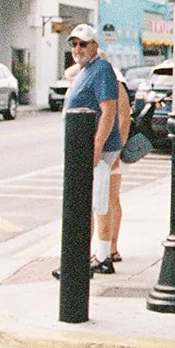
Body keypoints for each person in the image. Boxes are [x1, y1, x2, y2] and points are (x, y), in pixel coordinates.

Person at [61, 25, 122, 276]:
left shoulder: (102, 70)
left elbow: (109, 111)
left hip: (96, 148)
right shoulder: (88, 69)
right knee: (94, 202)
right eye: (73, 44)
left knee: (96, 202)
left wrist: (96, 147)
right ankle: (93, 256)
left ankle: (99, 256)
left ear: (95, 45)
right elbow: (70, 71)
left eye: (83, 44)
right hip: (83, 148)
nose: (77, 49)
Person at [106, 73, 132, 263]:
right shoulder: (90, 76)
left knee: (111, 198)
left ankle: (112, 247)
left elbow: (124, 117)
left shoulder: (115, 83)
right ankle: (99, 245)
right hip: (95, 150)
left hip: (111, 149)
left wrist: (117, 150)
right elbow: (69, 73)